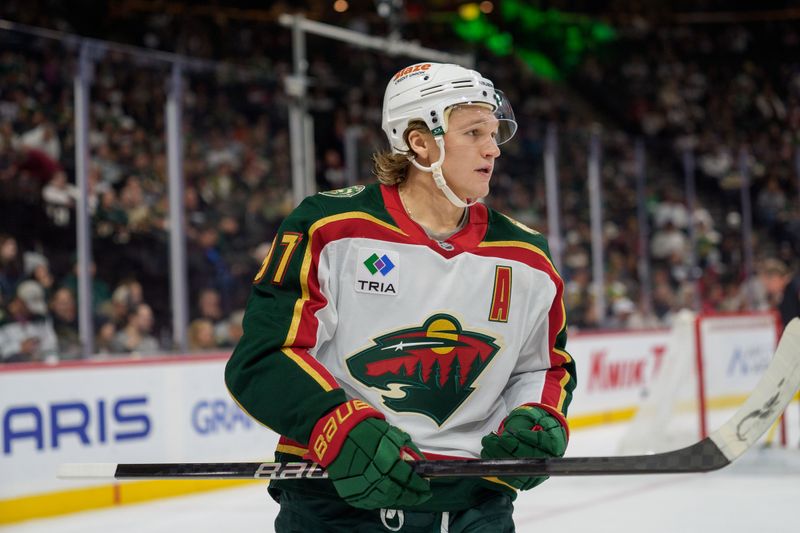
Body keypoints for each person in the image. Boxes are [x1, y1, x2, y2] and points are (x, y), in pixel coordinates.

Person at [225, 62, 576, 532]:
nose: (493, 149)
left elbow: (542, 368)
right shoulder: (331, 227)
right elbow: (266, 356)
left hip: (476, 507)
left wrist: (537, 417)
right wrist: (338, 424)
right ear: (419, 141)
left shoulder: (527, 255)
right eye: (473, 132)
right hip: (339, 504)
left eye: (493, 133)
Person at [757, 258, 800, 330]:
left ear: (775, 278)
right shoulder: (782, 294)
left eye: (768, 284)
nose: (768, 289)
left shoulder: (796, 286)